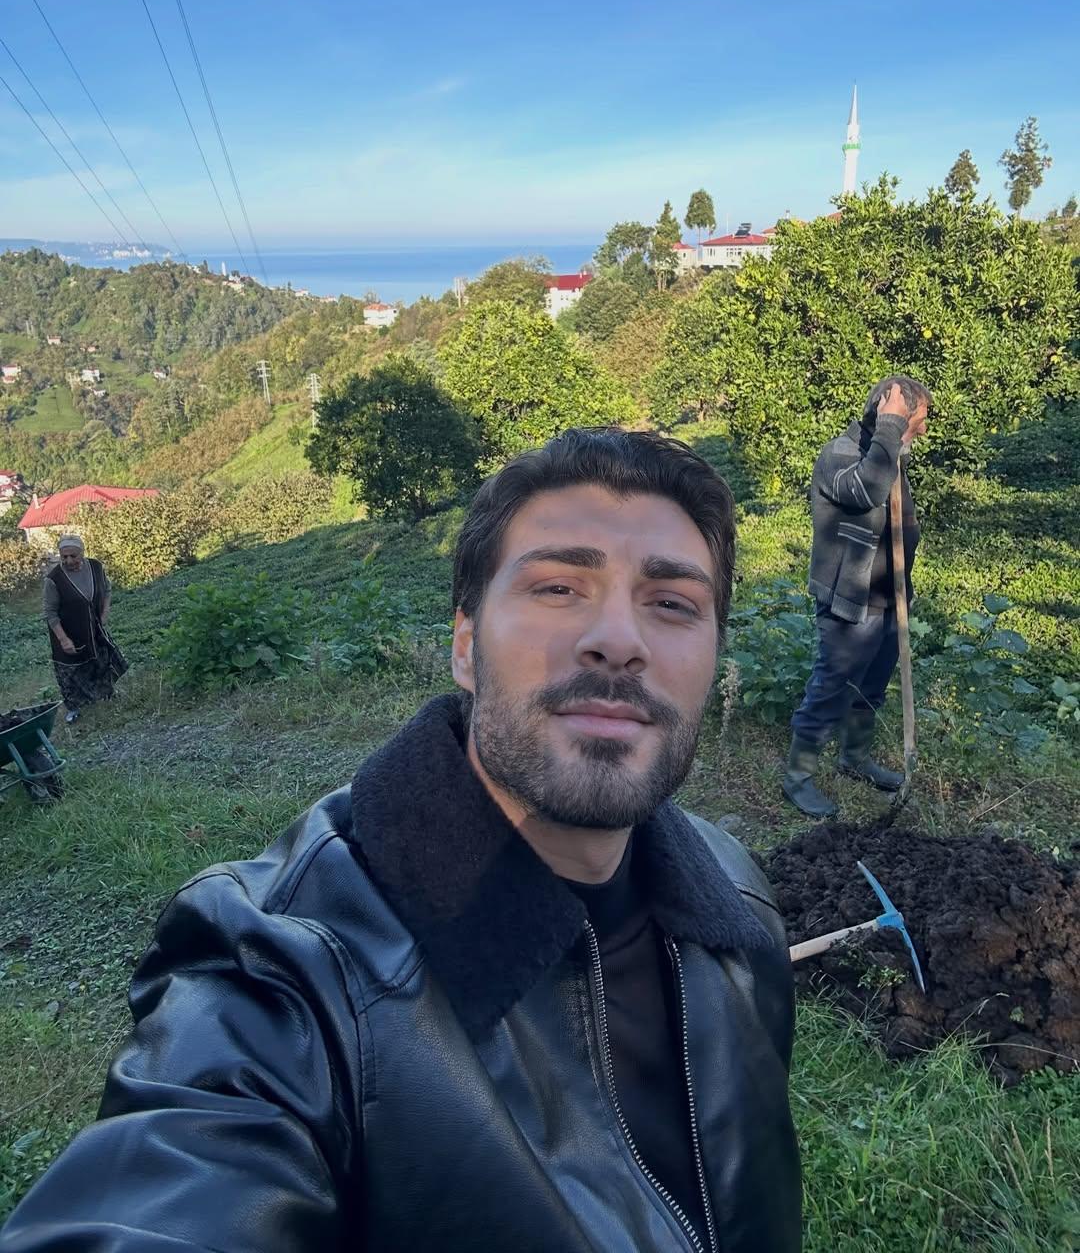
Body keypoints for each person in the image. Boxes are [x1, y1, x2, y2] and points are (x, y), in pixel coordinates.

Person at [2, 429, 802, 1253]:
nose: (620, 639)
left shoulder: (736, 899)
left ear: (714, 655)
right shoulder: (291, 968)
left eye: (672, 604)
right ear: (465, 646)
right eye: (559, 587)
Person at [784, 376, 933, 818]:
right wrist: (891, 427)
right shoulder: (840, 454)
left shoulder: (890, 456)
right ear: (891, 415)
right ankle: (798, 776)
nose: (923, 429)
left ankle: (854, 758)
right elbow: (867, 490)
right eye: (917, 419)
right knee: (833, 685)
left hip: (889, 595)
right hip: (850, 598)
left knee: (872, 686)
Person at [44, 534, 127, 723]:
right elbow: (50, 612)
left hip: (94, 628)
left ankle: (106, 696)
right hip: (68, 631)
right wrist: (63, 639)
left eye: (73, 556)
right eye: (64, 557)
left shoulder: (96, 567)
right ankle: (75, 709)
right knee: (72, 671)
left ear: (82, 553)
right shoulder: (54, 579)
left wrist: (104, 613)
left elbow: (107, 589)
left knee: (101, 662)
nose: (68, 561)